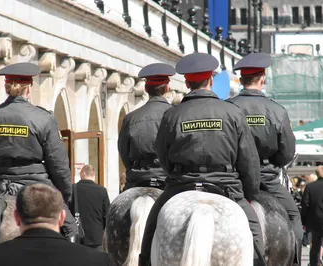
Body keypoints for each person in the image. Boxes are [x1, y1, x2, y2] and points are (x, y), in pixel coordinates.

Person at [139, 53, 265, 266]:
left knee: (151, 227)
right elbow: (248, 159)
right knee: (254, 230)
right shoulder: (232, 112)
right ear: (211, 81)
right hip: (226, 185)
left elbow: (162, 153)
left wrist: (177, 172)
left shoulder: (172, 115)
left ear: (187, 82)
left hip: (182, 184)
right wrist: (250, 194)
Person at [0, 63, 77, 241]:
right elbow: (58, 164)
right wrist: (65, 195)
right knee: (71, 229)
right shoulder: (43, 118)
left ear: (7, 87)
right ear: (28, 88)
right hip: (33, 183)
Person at [227, 52, 303, 265]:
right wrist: (272, 163)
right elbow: (287, 152)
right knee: (294, 216)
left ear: (241, 80)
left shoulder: (228, 107)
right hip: (267, 179)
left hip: (235, 180)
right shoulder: (277, 110)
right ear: (262, 78)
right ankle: (295, 261)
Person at [0, 183, 116, 266]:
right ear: (61, 217)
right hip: (36, 176)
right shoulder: (101, 261)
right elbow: (58, 164)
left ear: (16, 218)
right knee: (73, 228)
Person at [118, 63, 175, 191]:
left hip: (138, 178)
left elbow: (124, 154)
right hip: (168, 179)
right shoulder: (177, 115)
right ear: (167, 88)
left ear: (145, 88)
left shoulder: (130, 118)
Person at [70, 165, 110, 250]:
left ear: (82, 173)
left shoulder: (73, 189)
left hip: (77, 237)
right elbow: (107, 215)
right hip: (96, 237)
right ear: (94, 176)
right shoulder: (102, 190)